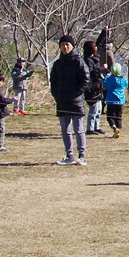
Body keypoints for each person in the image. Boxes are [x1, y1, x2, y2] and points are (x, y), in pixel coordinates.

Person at [48, 35, 90, 166]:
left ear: (72, 46)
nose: (65, 47)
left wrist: (75, 94)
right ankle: (69, 155)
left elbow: (86, 81)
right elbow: (53, 82)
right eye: (62, 45)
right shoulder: (58, 64)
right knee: (65, 130)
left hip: (76, 101)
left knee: (78, 129)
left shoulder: (79, 62)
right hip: (62, 101)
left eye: (67, 44)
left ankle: (82, 155)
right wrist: (57, 95)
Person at [82, 40, 106, 135]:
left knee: (99, 108)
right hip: (91, 88)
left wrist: (104, 32)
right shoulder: (87, 60)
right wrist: (100, 69)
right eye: (94, 47)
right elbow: (90, 73)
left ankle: (97, 126)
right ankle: (90, 128)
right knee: (93, 109)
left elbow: (100, 43)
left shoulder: (95, 58)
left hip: (98, 87)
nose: (96, 48)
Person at [102, 62, 128, 136]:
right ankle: (118, 129)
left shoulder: (110, 79)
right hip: (120, 101)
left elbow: (104, 84)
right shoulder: (123, 80)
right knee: (118, 116)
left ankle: (114, 127)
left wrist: (106, 77)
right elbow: (126, 83)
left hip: (111, 101)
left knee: (110, 116)